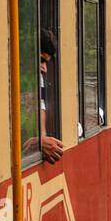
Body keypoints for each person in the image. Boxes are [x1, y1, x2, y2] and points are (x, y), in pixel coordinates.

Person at [24, 29, 64, 164]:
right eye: (41, 60)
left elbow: (39, 106)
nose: (45, 69)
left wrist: (41, 139)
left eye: (46, 62)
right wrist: (38, 143)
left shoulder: (35, 78)